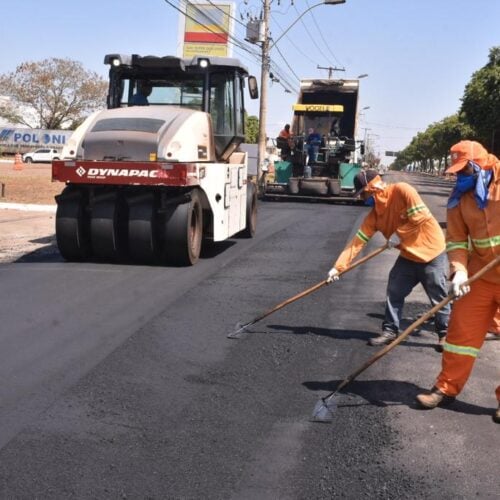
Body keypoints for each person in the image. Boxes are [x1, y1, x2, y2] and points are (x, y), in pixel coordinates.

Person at [416, 140, 500, 424]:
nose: (459, 176)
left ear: (480, 162)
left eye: (464, 169)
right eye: (457, 171)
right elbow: (455, 240)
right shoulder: (459, 197)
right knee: (460, 334)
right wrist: (459, 271)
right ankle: (445, 387)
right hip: (481, 276)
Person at [327, 169, 450, 348]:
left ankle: (444, 335)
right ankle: (390, 331)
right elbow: (357, 242)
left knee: (438, 296)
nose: (363, 199)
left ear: (374, 188)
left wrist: (399, 235)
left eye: (364, 194)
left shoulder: (402, 190)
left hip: (431, 252)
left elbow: (421, 216)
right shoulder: (375, 216)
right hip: (409, 255)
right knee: (394, 290)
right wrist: (338, 268)